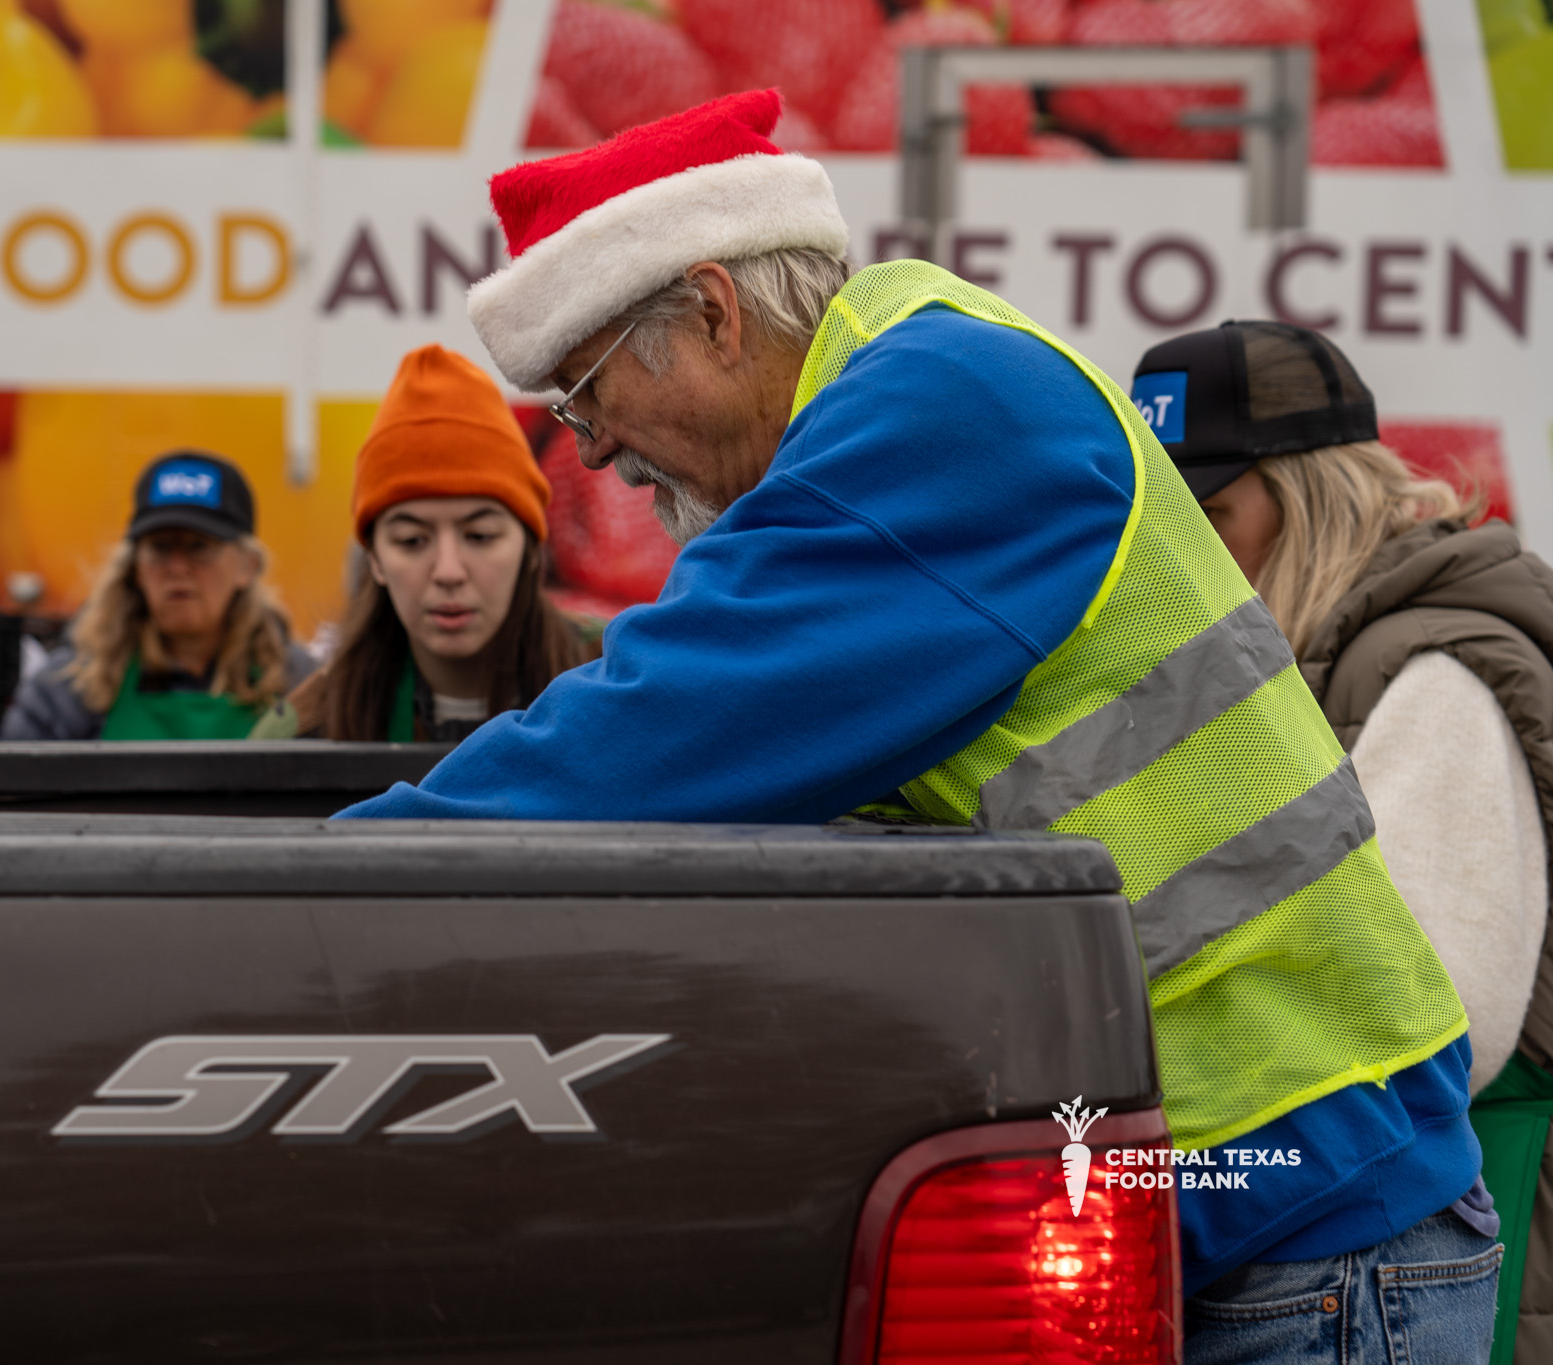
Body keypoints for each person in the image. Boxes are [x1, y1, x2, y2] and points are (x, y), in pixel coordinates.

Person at [336, 89, 1494, 1358]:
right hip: (1267, 1179)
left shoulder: (938, 413)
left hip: (1295, 1209)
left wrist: (330, 878)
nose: (594, 453)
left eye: (586, 393)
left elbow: (667, 724)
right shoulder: (928, 371)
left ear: (713, 311)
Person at [1136, 319, 1550, 1358]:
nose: (1178, 555)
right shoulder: (1305, 665)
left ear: (1312, 497)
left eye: (1209, 514)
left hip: (1432, 1237)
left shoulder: (1428, 675)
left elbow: (1437, 1032)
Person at [252, 346, 598, 743]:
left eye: (480, 536)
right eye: (412, 540)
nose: (448, 571)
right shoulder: (305, 732)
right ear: (375, 559)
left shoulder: (622, 681)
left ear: (532, 550)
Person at [0, 451, 312, 740]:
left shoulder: (299, 685)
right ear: (135, 567)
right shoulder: (69, 686)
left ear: (247, 566)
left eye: (199, 547)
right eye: (160, 547)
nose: (177, 568)